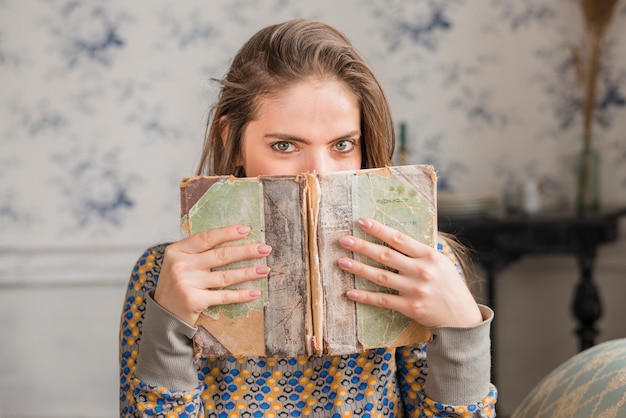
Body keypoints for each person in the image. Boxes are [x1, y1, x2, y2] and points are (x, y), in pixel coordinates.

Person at [119, 18, 497, 417]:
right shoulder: (162, 276)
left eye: (342, 144)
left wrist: (461, 335)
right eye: (285, 145)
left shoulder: (417, 266)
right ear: (232, 142)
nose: (318, 173)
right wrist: (170, 328)